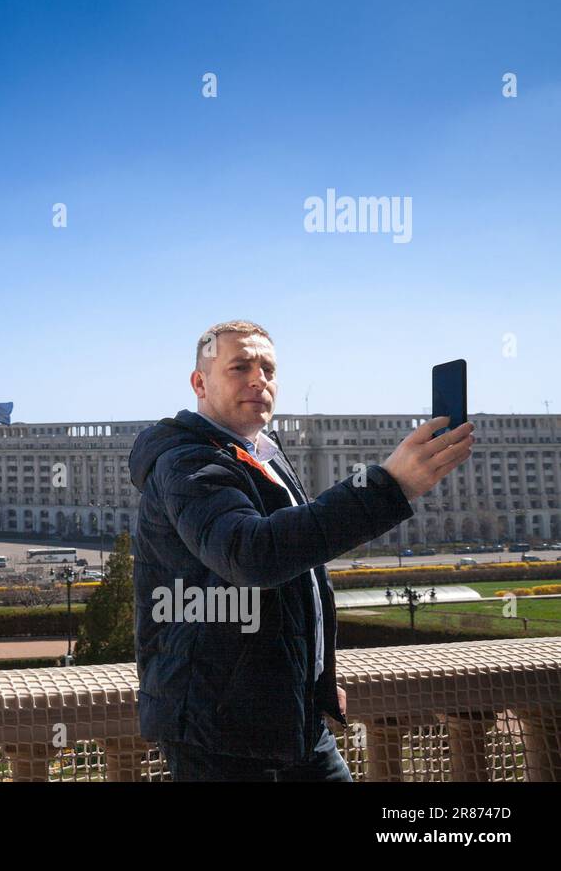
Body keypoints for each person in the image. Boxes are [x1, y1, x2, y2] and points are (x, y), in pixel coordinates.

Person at [129, 320, 474, 781]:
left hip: (292, 716)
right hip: (219, 730)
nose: (259, 379)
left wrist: (316, 679)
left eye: (268, 369)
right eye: (240, 367)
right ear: (199, 383)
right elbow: (252, 556)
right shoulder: (188, 460)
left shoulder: (261, 453)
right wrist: (387, 487)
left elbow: (297, 574)